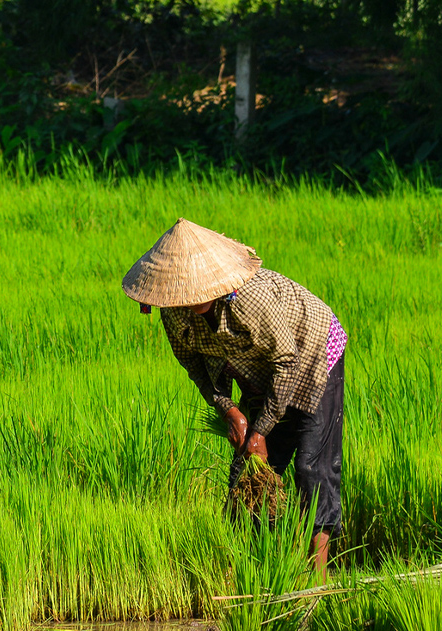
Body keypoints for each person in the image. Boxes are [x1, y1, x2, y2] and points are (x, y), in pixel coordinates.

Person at [122, 219, 347, 577]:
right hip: (255, 368)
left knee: (310, 466)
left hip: (311, 353)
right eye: (185, 292)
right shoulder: (174, 312)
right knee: (247, 471)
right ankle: (255, 569)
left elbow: (286, 362)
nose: (192, 298)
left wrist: (261, 430)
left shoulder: (251, 300)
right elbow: (192, 363)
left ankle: (317, 576)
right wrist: (230, 411)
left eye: (198, 289)